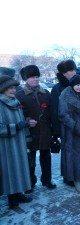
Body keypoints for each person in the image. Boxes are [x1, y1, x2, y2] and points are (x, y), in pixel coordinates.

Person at [16, 65, 56, 192]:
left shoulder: (46, 93)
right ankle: (30, 182)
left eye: (37, 76)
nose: (36, 79)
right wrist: (27, 121)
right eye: (32, 77)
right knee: (30, 159)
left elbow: (52, 112)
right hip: (29, 132)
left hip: (45, 130)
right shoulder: (20, 95)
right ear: (25, 79)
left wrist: (53, 129)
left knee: (46, 156)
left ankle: (47, 180)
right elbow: (17, 115)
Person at [0, 75, 33, 209]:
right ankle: (11, 198)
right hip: (6, 145)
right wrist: (18, 126)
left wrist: (26, 126)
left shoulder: (16, 101)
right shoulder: (1, 104)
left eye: (14, 87)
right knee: (10, 169)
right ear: (3, 89)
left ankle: (19, 193)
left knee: (19, 167)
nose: (13, 90)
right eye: (10, 88)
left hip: (19, 142)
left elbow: (22, 120)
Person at [50, 59, 77, 186]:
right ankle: (68, 177)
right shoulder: (57, 88)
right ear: (64, 73)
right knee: (68, 152)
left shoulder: (78, 84)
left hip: (79, 125)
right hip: (65, 126)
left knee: (79, 151)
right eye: (71, 70)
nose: (74, 72)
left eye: (74, 69)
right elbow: (55, 110)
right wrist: (56, 131)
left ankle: (78, 174)